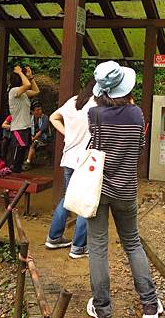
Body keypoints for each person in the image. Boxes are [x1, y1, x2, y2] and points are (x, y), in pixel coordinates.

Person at [85, 61, 162, 318]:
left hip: (97, 191)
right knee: (132, 243)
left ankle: (102, 308)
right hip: (126, 190)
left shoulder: (94, 115)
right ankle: (150, 304)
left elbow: (93, 149)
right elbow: (139, 148)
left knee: (97, 247)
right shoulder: (137, 114)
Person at [44, 79, 96, 259]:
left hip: (69, 158)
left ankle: (54, 237)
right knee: (84, 201)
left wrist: (68, 132)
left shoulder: (74, 101)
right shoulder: (98, 105)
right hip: (86, 160)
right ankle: (78, 247)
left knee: (68, 198)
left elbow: (53, 117)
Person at [8, 65, 40, 173]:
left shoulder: (24, 93)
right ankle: (10, 185)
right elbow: (27, 85)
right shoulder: (13, 91)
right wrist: (20, 72)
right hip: (18, 129)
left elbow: (36, 91)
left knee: (20, 158)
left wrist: (31, 77)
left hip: (25, 129)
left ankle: (16, 183)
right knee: (16, 159)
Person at [25, 102, 50, 166]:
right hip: (33, 137)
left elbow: (41, 131)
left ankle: (28, 162)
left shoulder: (45, 117)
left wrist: (33, 138)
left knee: (33, 143)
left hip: (43, 137)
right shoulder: (31, 118)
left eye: (40, 110)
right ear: (32, 112)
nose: (40, 112)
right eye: (37, 110)